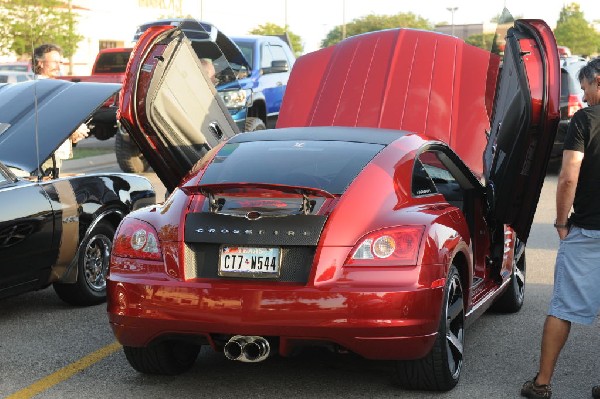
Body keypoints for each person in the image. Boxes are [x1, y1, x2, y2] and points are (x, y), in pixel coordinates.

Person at [521, 57, 600, 399]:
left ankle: (541, 384)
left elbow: (568, 176)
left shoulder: (585, 120)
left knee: (562, 307)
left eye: (585, 88)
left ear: (599, 81)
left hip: (587, 230)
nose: (582, 97)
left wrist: (560, 221)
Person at [32, 43, 89, 176]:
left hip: (51, 154)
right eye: (54, 62)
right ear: (40, 63)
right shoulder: (42, 88)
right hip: (46, 155)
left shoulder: (51, 87)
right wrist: (72, 130)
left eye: (60, 62)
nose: (58, 66)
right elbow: (48, 120)